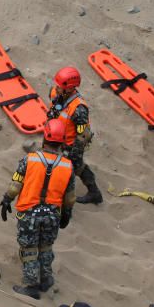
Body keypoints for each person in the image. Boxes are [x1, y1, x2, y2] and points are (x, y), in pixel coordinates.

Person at [0, 119, 75, 300]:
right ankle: (46, 278)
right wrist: (66, 214)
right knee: (46, 246)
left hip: (29, 213)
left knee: (29, 249)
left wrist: (6, 200)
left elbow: (15, 186)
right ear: (62, 141)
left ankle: (31, 284)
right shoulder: (67, 166)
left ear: (45, 138)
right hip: (52, 215)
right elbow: (70, 198)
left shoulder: (30, 159)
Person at [47, 66, 102, 205]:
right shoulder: (55, 92)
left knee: (77, 167)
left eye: (59, 86)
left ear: (70, 88)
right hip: (55, 138)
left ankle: (94, 193)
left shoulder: (79, 109)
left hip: (70, 145)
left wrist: (75, 153)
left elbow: (83, 134)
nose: (56, 88)